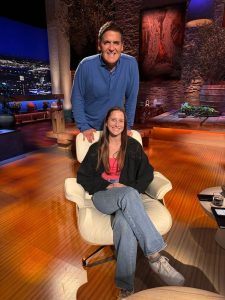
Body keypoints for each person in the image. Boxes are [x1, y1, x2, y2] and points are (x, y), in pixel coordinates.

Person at [77, 107, 185, 299]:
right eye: (113, 120)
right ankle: (155, 257)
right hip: (104, 195)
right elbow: (83, 176)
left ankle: (126, 288)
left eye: (121, 120)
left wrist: (130, 188)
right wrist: (108, 186)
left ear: (125, 124)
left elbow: (147, 173)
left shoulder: (133, 146)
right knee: (126, 195)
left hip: (128, 195)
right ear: (107, 122)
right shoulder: (97, 148)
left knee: (124, 224)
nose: (117, 124)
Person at [71, 21, 139, 143]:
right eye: (107, 42)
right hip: (92, 130)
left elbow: (131, 99)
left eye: (116, 43)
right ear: (99, 45)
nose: (112, 48)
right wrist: (84, 127)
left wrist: (127, 127)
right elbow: (77, 98)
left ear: (122, 46)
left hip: (116, 129)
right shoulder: (85, 65)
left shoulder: (131, 64)